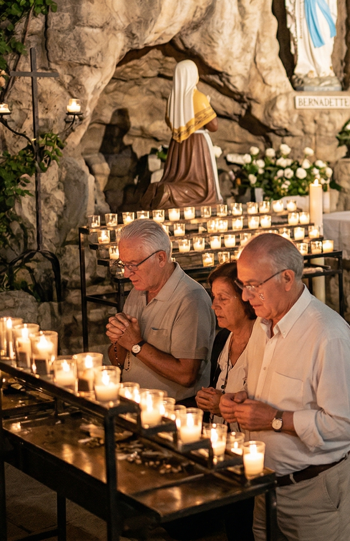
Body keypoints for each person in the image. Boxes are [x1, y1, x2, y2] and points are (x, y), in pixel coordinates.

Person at [220, 234, 350, 541]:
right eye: (242, 285)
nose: (245, 295)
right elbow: (265, 391)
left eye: (254, 285)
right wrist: (240, 401)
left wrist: (274, 419)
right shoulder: (260, 328)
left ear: (287, 278)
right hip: (267, 482)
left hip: (314, 485)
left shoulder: (327, 334)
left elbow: (346, 425)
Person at [106, 219, 213, 403]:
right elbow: (119, 362)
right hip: (134, 402)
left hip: (174, 409)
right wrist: (118, 341)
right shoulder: (137, 291)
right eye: (123, 264)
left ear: (161, 258)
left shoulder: (190, 299)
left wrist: (135, 344)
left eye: (133, 264)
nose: (126, 274)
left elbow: (186, 376)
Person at [141, 59, 223, 208]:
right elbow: (213, 126)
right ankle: (171, 192)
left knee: (176, 177)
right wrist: (208, 105)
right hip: (197, 144)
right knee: (201, 189)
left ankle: (159, 188)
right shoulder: (198, 97)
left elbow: (170, 122)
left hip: (177, 144)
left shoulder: (173, 100)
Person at [197, 263, 255, 427]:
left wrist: (224, 404)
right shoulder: (223, 338)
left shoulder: (266, 343)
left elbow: (268, 404)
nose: (214, 306)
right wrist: (207, 398)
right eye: (214, 297)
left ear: (246, 299)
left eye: (223, 298)